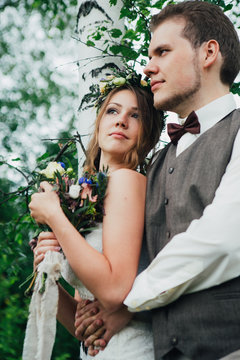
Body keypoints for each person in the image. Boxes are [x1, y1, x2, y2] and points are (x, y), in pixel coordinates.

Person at [75, 1, 240, 359]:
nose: (149, 67)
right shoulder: (159, 162)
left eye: (162, 52)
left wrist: (126, 303)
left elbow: (223, 240)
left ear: (209, 52)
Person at [28, 75, 164, 359]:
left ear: (148, 134)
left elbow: (114, 291)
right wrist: (46, 273)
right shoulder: (89, 202)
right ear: (99, 123)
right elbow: (82, 323)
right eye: (113, 111)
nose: (121, 120)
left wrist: (55, 216)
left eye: (135, 115)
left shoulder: (128, 181)